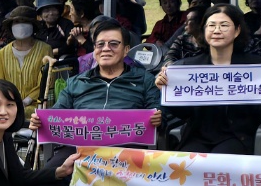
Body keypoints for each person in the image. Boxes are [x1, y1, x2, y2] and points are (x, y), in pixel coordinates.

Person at [30, 21, 162, 169]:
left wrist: (157, 117)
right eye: (100, 45)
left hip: (127, 150)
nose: (106, 49)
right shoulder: (76, 82)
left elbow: (156, 110)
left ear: (126, 50)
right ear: (94, 50)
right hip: (78, 151)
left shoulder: (144, 79)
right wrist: (40, 121)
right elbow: (56, 113)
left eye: (113, 44)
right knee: (47, 179)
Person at [155, 5, 261, 155]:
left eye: (224, 25)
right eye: (211, 25)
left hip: (238, 136)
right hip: (197, 136)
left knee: (220, 160)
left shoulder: (255, 67)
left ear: (237, 30)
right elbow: (183, 113)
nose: (217, 30)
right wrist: (167, 91)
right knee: (189, 166)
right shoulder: (188, 67)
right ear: (204, 30)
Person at [0, 7, 52, 107]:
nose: (20, 25)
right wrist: (12, 102)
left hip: (37, 106)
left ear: (33, 25)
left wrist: (26, 101)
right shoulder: (1, 54)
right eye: (16, 22)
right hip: (8, 107)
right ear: (11, 26)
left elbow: (47, 81)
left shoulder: (45, 49)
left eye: (25, 21)